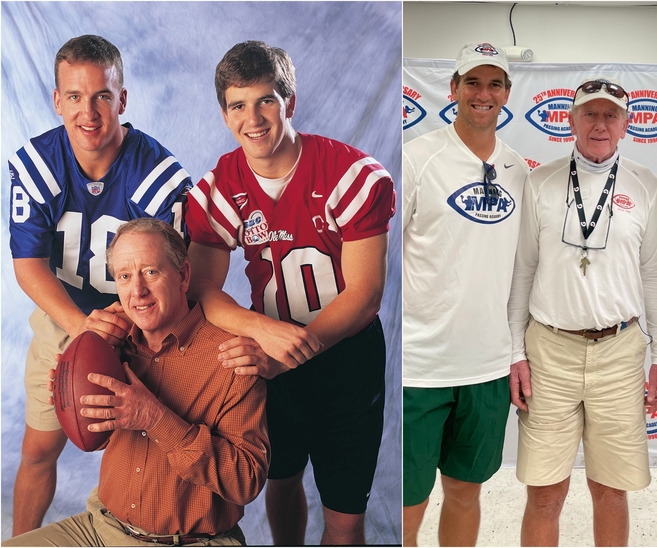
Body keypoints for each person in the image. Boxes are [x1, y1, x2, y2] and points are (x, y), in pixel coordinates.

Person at [184, 41, 395, 545]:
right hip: (271, 350)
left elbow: (365, 295)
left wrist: (293, 351)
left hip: (345, 356)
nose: (253, 118)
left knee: (344, 516)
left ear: (290, 103)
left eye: (266, 101)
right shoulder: (220, 186)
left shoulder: (351, 175)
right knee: (278, 480)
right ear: (223, 113)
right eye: (238, 105)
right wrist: (262, 332)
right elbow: (204, 289)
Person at [7, 34, 192, 536]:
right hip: (66, 315)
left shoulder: (157, 175)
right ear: (56, 100)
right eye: (74, 97)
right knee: (40, 447)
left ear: (122, 99)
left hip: (145, 324)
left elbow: (170, 279)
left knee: (155, 450)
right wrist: (82, 330)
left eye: (102, 96)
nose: (88, 112)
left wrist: (123, 325)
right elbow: (28, 266)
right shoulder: (37, 166)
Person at [4, 218, 269, 547]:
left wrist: (157, 419)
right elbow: (96, 441)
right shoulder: (111, 344)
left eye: (151, 272)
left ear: (184, 275)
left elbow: (247, 480)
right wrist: (71, 397)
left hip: (192, 541)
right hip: (102, 529)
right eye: (125, 276)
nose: (137, 291)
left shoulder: (232, 356)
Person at [507, 76, 657, 546]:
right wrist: (515, 351)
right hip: (548, 352)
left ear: (626, 124)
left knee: (610, 489)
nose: (600, 124)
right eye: (590, 114)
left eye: (611, 115)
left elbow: (656, 275)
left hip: (620, 352)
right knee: (545, 492)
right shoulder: (541, 182)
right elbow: (523, 271)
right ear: (570, 120)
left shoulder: (645, 185)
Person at [402, 42, 529, 546]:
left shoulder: (519, 169)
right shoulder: (417, 159)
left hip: (487, 367)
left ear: (506, 94)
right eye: (472, 82)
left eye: (494, 83)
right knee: (410, 502)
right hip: (421, 368)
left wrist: (515, 353)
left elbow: (521, 270)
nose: (483, 93)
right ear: (452, 89)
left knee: (465, 492)